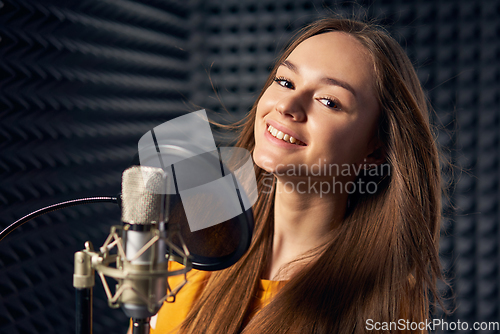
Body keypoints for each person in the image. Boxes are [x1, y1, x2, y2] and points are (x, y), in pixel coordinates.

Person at [136, 17, 444, 334]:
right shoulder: (194, 240)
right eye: (285, 82)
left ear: (374, 150)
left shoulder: (385, 310)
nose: (287, 105)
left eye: (329, 101)